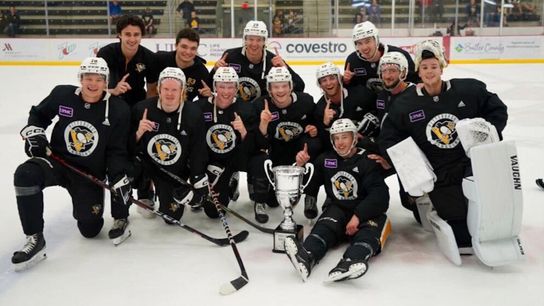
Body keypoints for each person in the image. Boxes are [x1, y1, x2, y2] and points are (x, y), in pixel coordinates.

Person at [379, 39, 508, 251]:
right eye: (424, 67)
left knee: (487, 214)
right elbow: (388, 138)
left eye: (434, 67)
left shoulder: (468, 90)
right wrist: (411, 163)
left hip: (471, 164)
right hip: (439, 172)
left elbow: (496, 110)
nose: (430, 72)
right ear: (417, 72)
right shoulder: (404, 104)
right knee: (461, 233)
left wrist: (487, 136)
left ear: (442, 67)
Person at [11, 57, 132, 271]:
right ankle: (34, 237)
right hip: (56, 162)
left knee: (90, 230)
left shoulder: (118, 109)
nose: (92, 84)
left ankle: (95, 209)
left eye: (98, 79)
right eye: (87, 78)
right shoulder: (63, 95)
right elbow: (38, 116)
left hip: (88, 173)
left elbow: (116, 150)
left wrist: (117, 178)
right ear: (80, 78)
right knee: (25, 174)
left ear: (106, 83)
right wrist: (35, 133)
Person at [284, 118, 390, 282]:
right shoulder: (326, 160)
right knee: (324, 227)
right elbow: (309, 185)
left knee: (368, 236)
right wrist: (300, 166)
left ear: (354, 138)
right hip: (339, 209)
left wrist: (358, 217)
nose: (340, 143)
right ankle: (306, 255)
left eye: (345, 137)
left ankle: (351, 262)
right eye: (336, 138)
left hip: (367, 212)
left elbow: (380, 196)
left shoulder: (368, 160)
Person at [131, 67, 208, 223]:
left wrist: (197, 178)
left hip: (177, 170)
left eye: (174, 89)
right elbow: (127, 147)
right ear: (159, 89)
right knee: (132, 166)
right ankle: (145, 194)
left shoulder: (193, 113)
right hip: (152, 167)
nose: (169, 93)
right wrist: (138, 133)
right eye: (165, 88)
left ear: (182, 91)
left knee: (172, 218)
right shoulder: (141, 109)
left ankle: (171, 190)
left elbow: (198, 149)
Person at [249, 66, 320, 223]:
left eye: (284, 86)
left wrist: (314, 128)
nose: (280, 90)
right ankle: (259, 200)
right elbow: (258, 143)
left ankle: (310, 195)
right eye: (275, 86)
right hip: (274, 152)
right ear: (269, 88)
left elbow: (316, 124)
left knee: (314, 146)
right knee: (272, 200)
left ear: (291, 86)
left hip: (296, 153)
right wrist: (263, 124)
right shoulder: (260, 105)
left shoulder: (305, 101)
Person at [194, 67, 258, 218]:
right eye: (222, 86)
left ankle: (231, 179)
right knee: (213, 212)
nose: (226, 91)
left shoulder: (246, 108)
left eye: (230, 87)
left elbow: (255, 146)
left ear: (237, 87)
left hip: (233, 160)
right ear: (215, 86)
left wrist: (243, 131)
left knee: (216, 211)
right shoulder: (199, 107)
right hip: (209, 162)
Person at [210, 20, 305, 103]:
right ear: (245, 39)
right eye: (251, 39)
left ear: (264, 41)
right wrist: (215, 69)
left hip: (262, 110)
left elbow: (300, 87)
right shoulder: (230, 56)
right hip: (235, 106)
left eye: (259, 40)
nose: (254, 44)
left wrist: (285, 68)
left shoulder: (273, 61)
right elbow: (210, 86)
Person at [313, 62, 377, 155]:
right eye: (324, 80)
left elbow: (379, 113)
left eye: (332, 78)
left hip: (365, 146)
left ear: (339, 79)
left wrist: (365, 137)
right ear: (320, 85)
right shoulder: (320, 108)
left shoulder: (361, 94)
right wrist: (325, 124)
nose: (328, 83)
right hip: (342, 151)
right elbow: (324, 144)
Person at [98, 15, 159, 107]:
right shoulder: (106, 53)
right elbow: (96, 88)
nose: (132, 39)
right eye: (127, 34)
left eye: (136, 34)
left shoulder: (149, 58)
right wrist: (113, 91)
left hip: (137, 105)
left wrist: (146, 111)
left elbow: (151, 91)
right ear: (119, 34)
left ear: (141, 35)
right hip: (109, 102)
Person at [343, 21, 418, 94]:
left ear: (376, 40)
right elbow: (351, 92)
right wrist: (346, 81)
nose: (364, 47)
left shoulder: (400, 55)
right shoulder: (352, 61)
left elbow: (414, 82)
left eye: (368, 41)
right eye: (360, 43)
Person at [155, 28, 211, 103]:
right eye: (184, 47)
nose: (188, 52)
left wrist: (208, 96)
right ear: (176, 45)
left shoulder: (201, 72)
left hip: (185, 111)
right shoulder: (160, 60)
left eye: (193, 48)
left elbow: (203, 103)